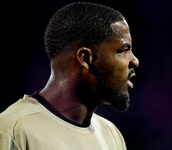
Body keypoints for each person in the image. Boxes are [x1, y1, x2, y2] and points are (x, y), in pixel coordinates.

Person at [0, 2, 139, 150]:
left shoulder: (111, 134)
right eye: (123, 50)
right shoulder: (12, 130)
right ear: (85, 58)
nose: (135, 61)